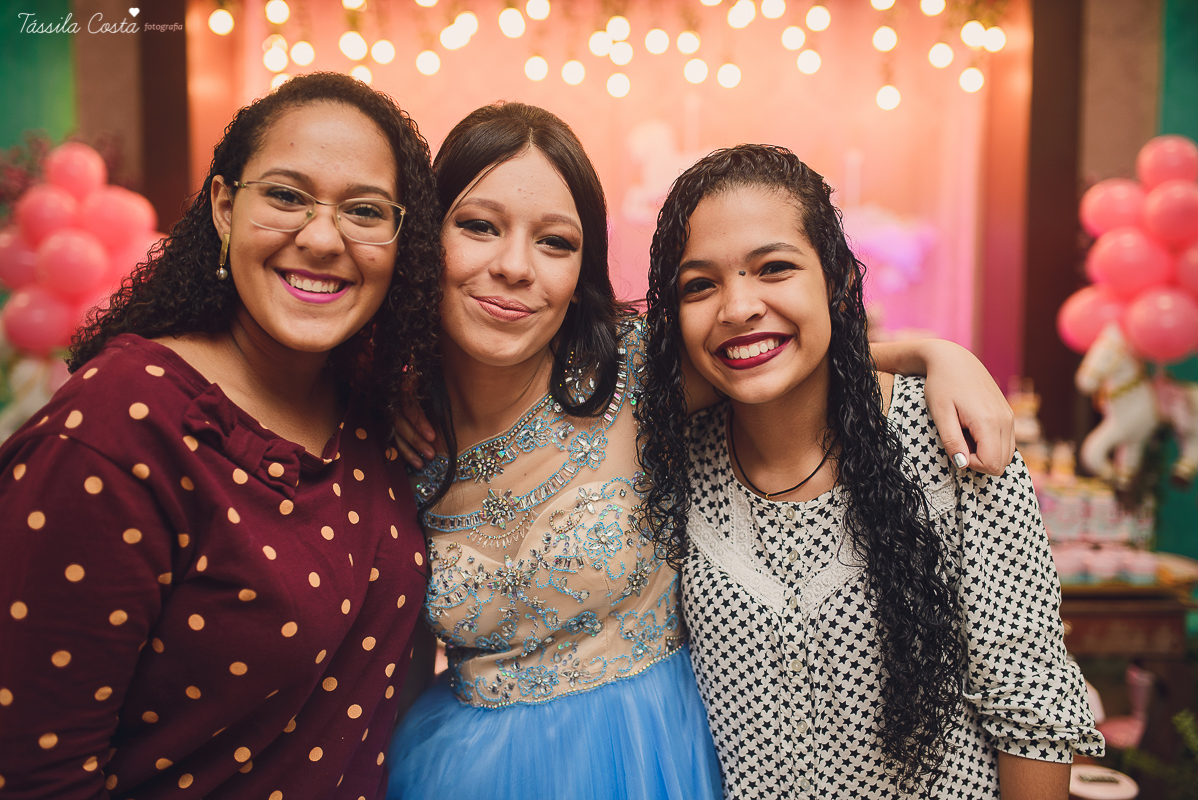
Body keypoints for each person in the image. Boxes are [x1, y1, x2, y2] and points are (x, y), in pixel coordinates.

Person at [385, 104, 1018, 800]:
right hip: (462, 766)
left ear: (582, 268)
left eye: (555, 242)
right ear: (424, 235)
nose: (513, 266)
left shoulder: (631, 375)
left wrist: (937, 353)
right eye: (479, 226)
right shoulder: (387, 423)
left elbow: (774, 349)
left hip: (651, 758)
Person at [0, 73, 442, 799]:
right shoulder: (119, 428)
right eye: (288, 196)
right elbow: (33, 773)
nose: (323, 238)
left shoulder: (368, 409)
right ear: (225, 206)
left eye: (364, 210)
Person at [637, 144, 1103, 799]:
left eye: (773, 268)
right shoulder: (674, 457)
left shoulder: (948, 437)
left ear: (837, 283)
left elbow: (1034, 715)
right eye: (700, 284)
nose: (737, 307)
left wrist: (933, 356)